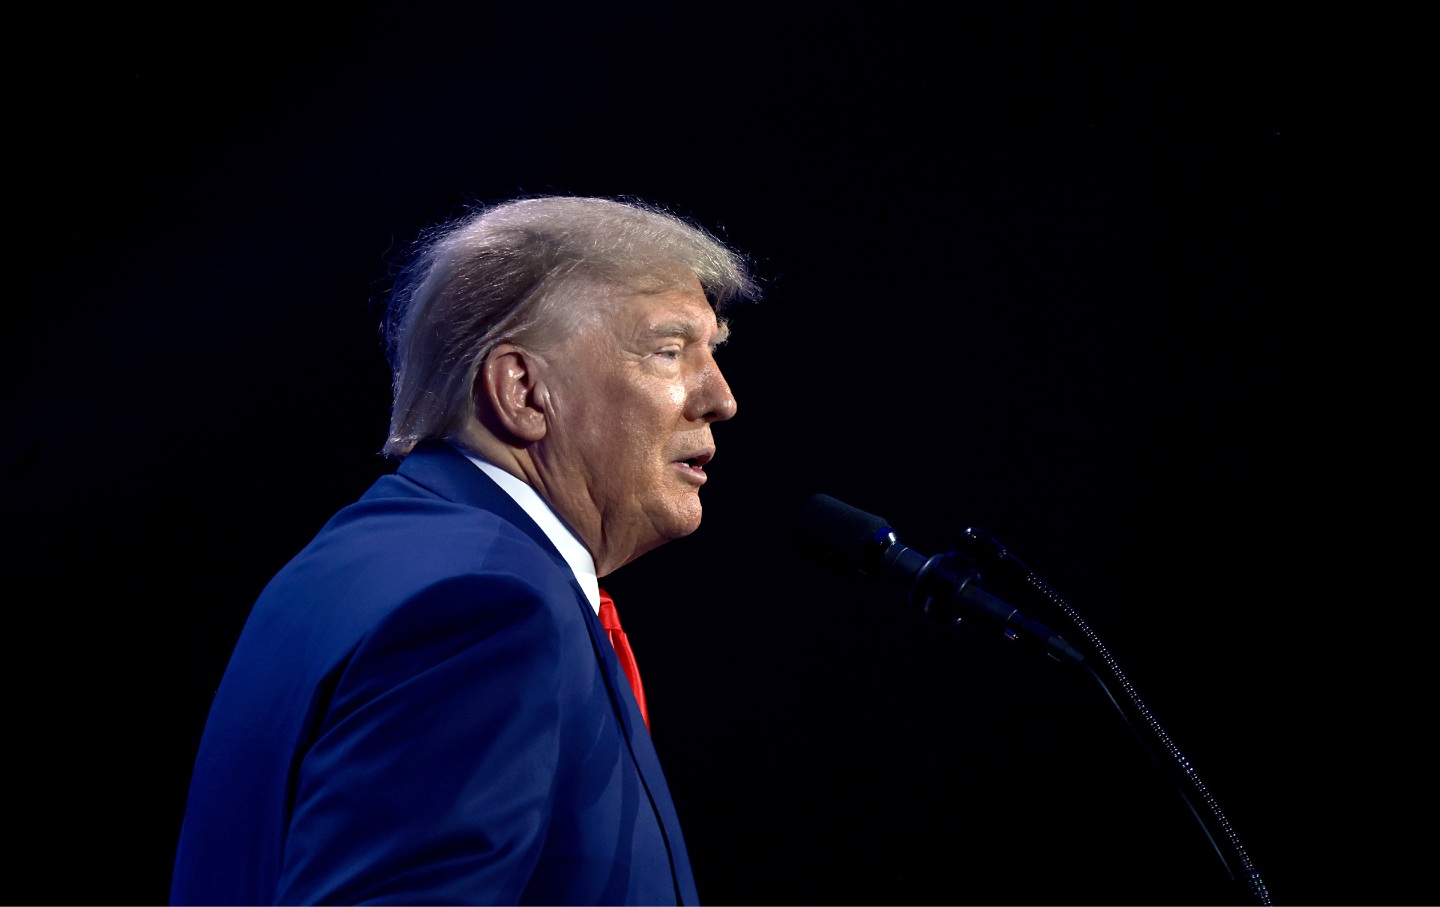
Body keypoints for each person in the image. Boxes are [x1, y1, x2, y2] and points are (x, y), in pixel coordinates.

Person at [169, 195, 759, 905]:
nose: (719, 397)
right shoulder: (487, 607)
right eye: (668, 350)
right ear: (522, 391)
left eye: (713, 352)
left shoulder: (362, 555)